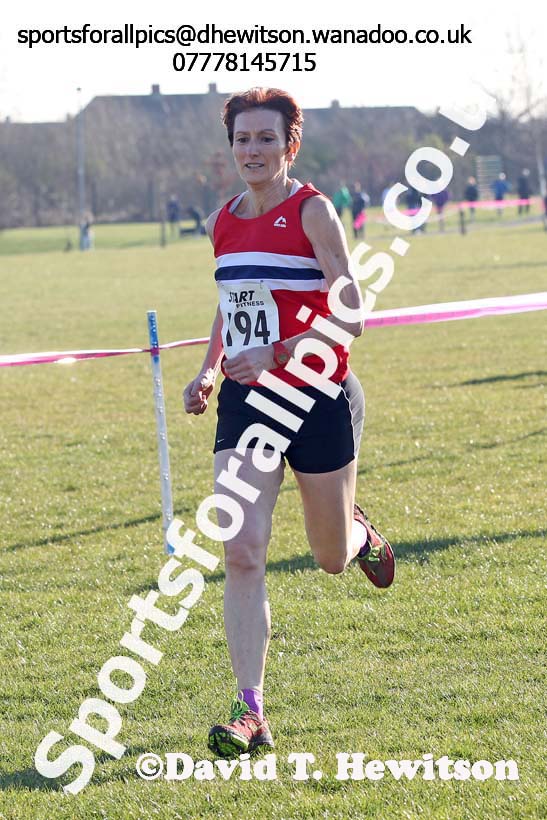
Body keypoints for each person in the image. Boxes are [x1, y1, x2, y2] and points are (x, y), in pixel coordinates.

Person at [182, 88, 395, 759]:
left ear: (289, 145)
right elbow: (231, 306)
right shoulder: (222, 221)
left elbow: (351, 313)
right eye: (242, 139)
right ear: (230, 148)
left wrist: (274, 354)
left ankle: (356, 532)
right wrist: (211, 369)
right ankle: (251, 712)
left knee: (327, 559)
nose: (252, 150)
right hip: (246, 404)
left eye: (265, 139)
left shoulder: (311, 211)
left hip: (315, 394)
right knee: (241, 549)